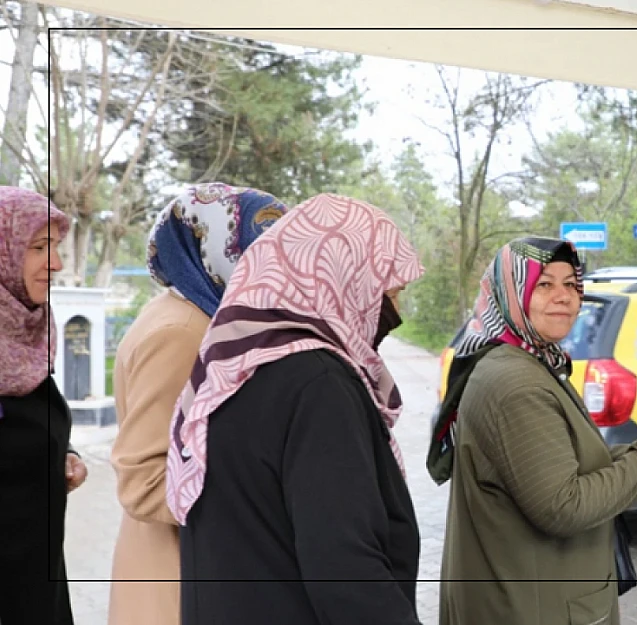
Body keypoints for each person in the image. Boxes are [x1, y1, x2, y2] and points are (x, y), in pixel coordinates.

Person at [166, 193, 425, 625]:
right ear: (344, 280)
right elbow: (345, 568)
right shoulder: (318, 384)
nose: (396, 310)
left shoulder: (232, 367)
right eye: (390, 292)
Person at [431, 236, 637, 625]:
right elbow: (564, 506)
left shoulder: (527, 361)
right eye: (544, 284)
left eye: (571, 284)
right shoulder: (516, 383)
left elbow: (566, 467)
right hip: (532, 607)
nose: (564, 297)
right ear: (512, 293)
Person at [107, 183, 288, 625]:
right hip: (173, 580)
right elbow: (145, 479)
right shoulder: (183, 331)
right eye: (260, 249)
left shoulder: (202, 316)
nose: (280, 266)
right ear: (215, 248)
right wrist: (261, 500)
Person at [0, 186, 88, 625]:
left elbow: (30, 423)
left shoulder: (30, 335)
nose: (55, 263)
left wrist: (63, 453)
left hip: (38, 581)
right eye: (38, 248)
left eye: (56, 248)